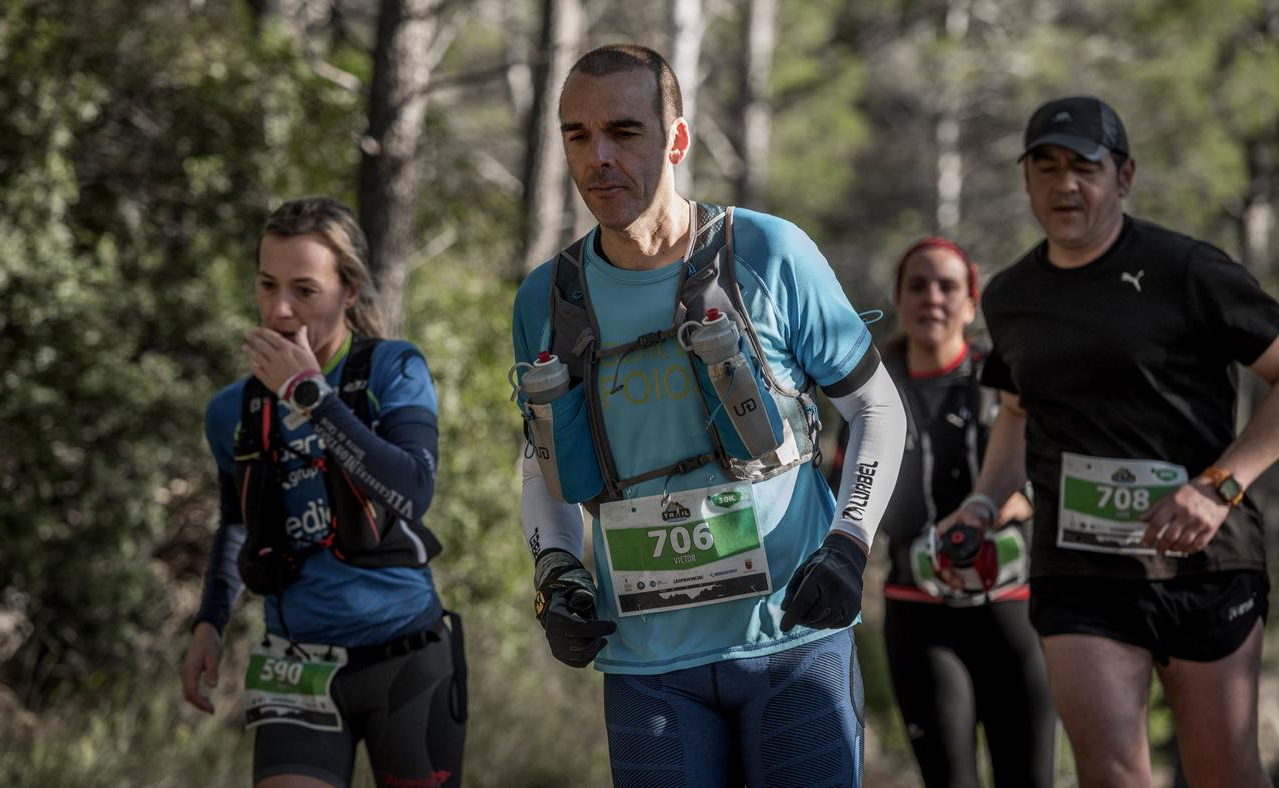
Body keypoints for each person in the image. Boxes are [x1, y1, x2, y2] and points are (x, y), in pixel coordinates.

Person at [511, 43, 906, 787]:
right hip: (649, 669)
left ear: (677, 140)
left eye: (624, 132)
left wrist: (850, 542)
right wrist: (556, 571)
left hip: (794, 643)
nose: (598, 157)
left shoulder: (768, 251)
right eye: (576, 134)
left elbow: (877, 408)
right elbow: (541, 462)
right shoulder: (547, 298)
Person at [939, 96, 1279, 788]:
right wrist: (981, 504)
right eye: (1046, 166)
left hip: (1204, 562)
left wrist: (1219, 487)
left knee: (1224, 774)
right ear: (1027, 179)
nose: (1065, 184)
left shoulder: (1186, 270)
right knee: (1111, 776)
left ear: (1122, 177)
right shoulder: (1009, 296)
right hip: (1081, 572)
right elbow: (1016, 413)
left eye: (1084, 168)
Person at [180, 196, 466, 788]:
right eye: (266, 285)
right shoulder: (232, 409)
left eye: (304, 291)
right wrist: (209, 620)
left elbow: (411, 489)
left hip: (405, 657)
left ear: (349, 292)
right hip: (295, 664)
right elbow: (238, 523)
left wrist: (310, 395)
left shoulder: (393, 369)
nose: (280, 310)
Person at [834, 238, 1054, 787]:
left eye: (948, 286)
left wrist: (1022, 498)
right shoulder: (871, 390)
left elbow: (1056, 466)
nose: (932, 298)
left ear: (971, 303)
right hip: (919, 610)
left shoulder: (1004, 380)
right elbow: (842, 491)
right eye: (918, 285)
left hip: (1013, 608)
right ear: (900, 299)